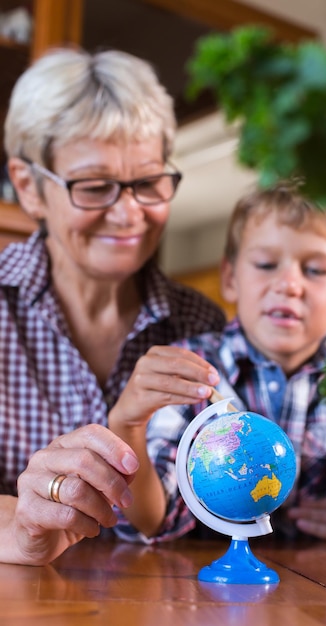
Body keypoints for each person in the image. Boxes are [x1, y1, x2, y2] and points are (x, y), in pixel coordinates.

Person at [0, 46, 226, 565]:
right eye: (96, 187)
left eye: (147, 183)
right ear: (29, 187)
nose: (128, 213)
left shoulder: (201, 325)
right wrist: (20, 527)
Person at [111, 181, 326, 548]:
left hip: (310, 596)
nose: (288, 284)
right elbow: (150, 521)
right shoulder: (187, 368)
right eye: (267, 264)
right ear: (229, 278)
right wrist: (126, 428)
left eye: (315, 270)